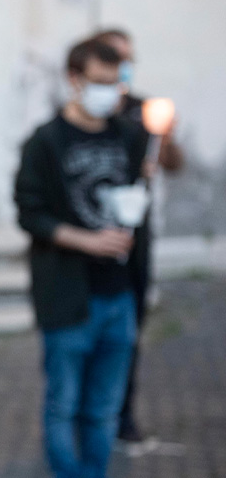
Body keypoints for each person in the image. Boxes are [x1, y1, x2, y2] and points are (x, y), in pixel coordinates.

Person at [14, 38, 144, 478]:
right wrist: (86, 241)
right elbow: (29, 213)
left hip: (119, 295)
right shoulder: (45, 141)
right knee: (63, 405)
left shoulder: (128, 135)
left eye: (117, 83)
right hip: (68, 297)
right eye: (100, 83)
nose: (110, 93)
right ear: (74, 80)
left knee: (105, 410)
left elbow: (140, 194)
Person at [94, 28, 184, 444]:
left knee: (129, 327)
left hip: (136, 240)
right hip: (91, 238)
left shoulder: (145, 110)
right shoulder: (89, 113)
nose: (122, 66)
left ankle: (122, 410)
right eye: (114, 57)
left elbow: (173, 163)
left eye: (127, 58)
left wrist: (165, 139)